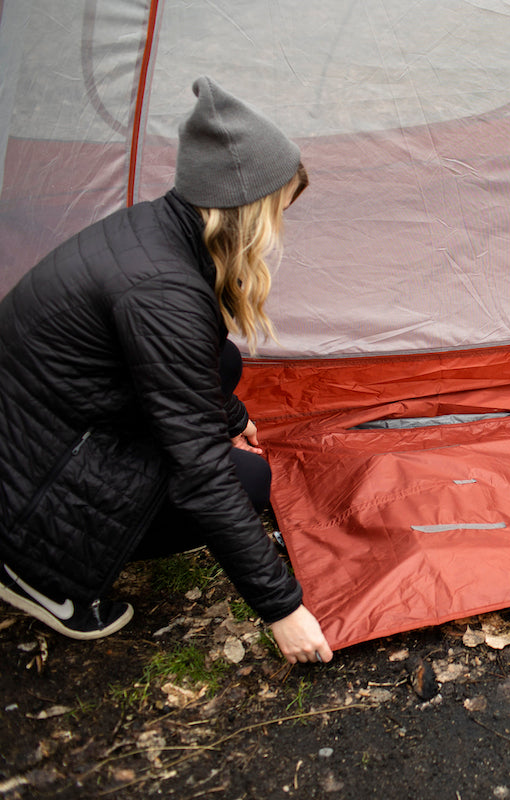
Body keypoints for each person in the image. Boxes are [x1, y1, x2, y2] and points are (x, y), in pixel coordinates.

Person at [0, 77, 333, 665]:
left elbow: (187, 361)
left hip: (45, 428)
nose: (279, 230)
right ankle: (38, 574)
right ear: (245, 210)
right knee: (245, 482)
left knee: (224, 362)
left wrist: (231, 412)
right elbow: (200, 472)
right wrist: (282, 608)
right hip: (30, 490)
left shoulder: (156, 229)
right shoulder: (161, 291)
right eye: (277, 211)